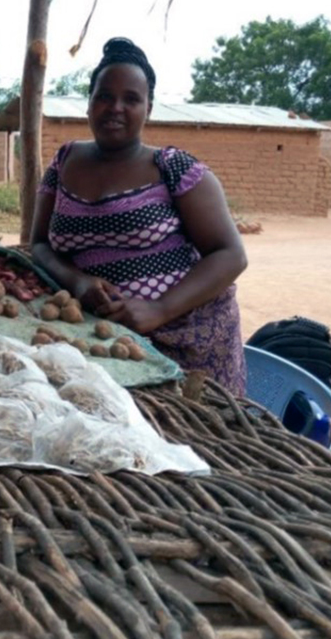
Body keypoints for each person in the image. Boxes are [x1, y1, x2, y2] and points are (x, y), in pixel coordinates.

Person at [31, 37, 249, 395]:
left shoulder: (174, 169)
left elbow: (231, 254)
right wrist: (78, 281)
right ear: (88, 104)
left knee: (189, 438)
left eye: (131, 99)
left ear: (148, 108)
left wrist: (160, 309)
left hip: (185, 340)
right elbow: (38, 245)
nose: (115, 107)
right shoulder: (64, 161)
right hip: (101, 340)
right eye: (104, 96)